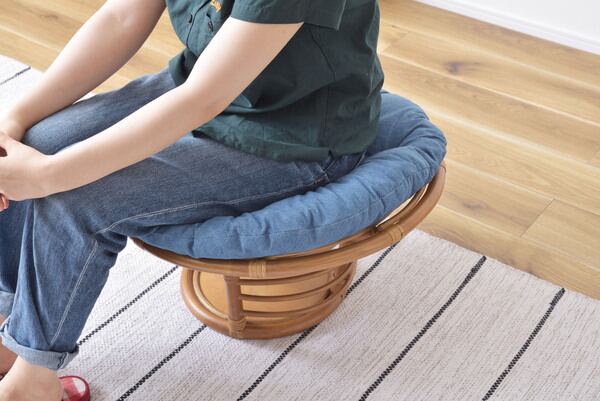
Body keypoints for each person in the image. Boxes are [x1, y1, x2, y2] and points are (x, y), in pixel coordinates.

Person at [0, 0, 384, 399]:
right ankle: (7, 328)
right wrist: (15, 122)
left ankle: (31, 383)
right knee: (32, 144)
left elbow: (204, 98)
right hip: (200, 81)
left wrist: (48, 175)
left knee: (78, 200)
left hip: (294, 134)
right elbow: (121, 17)